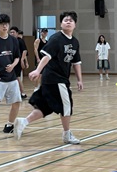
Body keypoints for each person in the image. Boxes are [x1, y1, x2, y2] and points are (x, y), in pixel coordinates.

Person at [15, 12, 83, 145]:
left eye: (71, 20)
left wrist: (80, 79)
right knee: (67, 106)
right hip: (55, 78)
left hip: (57, 79)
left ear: (75, 24)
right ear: (61, 24)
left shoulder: (75, 42)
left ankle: (23, 122)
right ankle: (67, 134)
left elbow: (76, 62)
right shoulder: (56, 39)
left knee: (46, 107)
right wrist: (38, 70)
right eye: (65, 20)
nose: (68, 22)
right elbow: (47, 56)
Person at [10, 26, 30, 98]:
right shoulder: (10, 41)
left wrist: (22, 60)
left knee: (17, 77)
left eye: (13, 32)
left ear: (17, 33)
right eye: (11, 32)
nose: (12, 33)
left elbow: (24, 51)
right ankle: (16, 92)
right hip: (11, 61)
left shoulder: (20, 40)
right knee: (14, 78)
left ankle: (22, 93)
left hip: (17, 62)